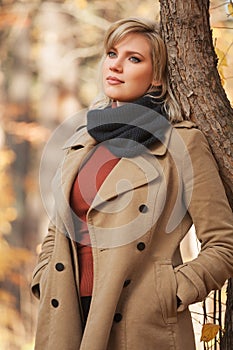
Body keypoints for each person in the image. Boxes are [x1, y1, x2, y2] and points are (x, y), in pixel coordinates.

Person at [31, 17, 233, 350]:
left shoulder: (181, 144)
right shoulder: (84, 141)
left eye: (134, 59)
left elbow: (224, 242)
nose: (117, 65)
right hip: (67, 314)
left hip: (138, 322)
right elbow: (59, 228)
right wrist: (43, 279)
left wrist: (170, 290)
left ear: (156, 78)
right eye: (112, 54)